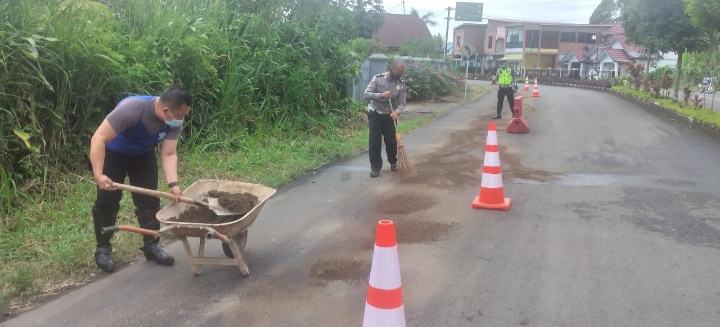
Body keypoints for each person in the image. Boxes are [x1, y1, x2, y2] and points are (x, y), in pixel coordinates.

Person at [89, 85, 192, 273]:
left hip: (143, 155)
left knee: (149, 201)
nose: (181, 119)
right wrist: (98, 174)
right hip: (114, 153)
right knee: (108, 201)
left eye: (184, 115)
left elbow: (169, 154)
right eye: (179, 115)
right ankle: (103, 248)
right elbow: (98, 138)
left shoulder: (174, 122)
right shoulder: (132, 109)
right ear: (166, 110)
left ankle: (151, 245)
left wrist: (173, 184)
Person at [363, 60, 407, 178]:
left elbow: (402, 103)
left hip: (389, 116)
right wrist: (380, 95)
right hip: (375, 114)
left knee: (391, 142)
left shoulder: (401, 85)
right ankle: (375, 167)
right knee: (374, 142)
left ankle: (393, 162)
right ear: (390, 69)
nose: (398, 76)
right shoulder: (377, 79)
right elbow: (366, 94)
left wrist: (397, 112)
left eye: (400, 74)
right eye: (396, 73)